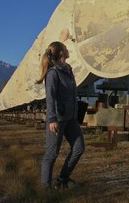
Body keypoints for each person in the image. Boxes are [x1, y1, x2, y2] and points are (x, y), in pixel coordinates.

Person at [36, 41, 85, 188]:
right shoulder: (53, 73)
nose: (68, 49)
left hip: (70, 118)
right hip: (57, 119)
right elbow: (50, 97)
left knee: (79, 148)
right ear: (61, 53)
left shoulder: (68, 70)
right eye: (65, 48)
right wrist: (51, 119)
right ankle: (46, 188)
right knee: (52, 154)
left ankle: (63, 179)